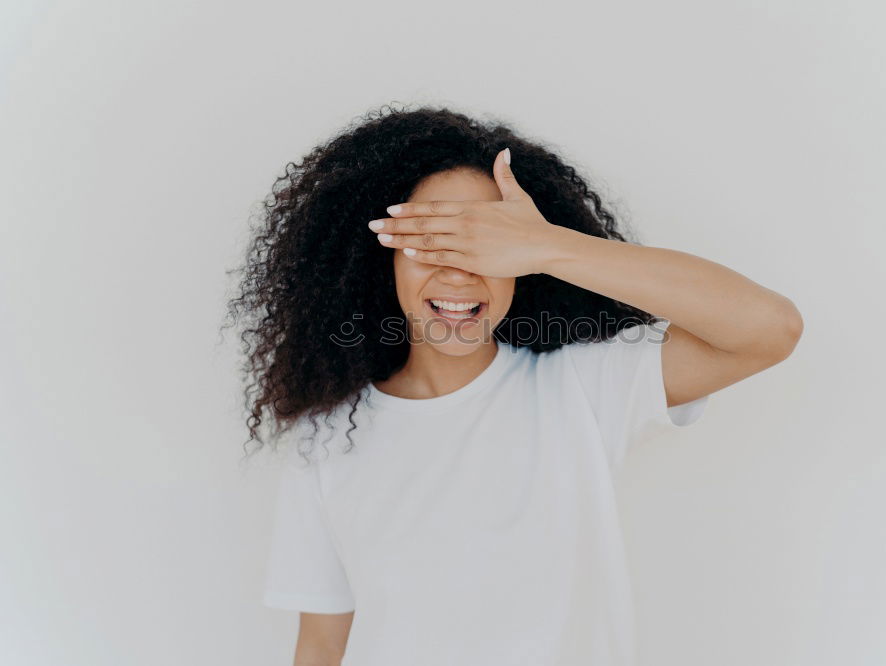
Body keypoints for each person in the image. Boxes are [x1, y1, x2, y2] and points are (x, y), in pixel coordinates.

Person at [226, 105, 803, 666]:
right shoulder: (324, 436)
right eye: (431, 240)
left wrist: (549, 245)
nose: (459, 269)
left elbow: (767, 329)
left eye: (484, 243)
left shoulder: (582, 384)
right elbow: (323, 647)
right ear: (379, 258)